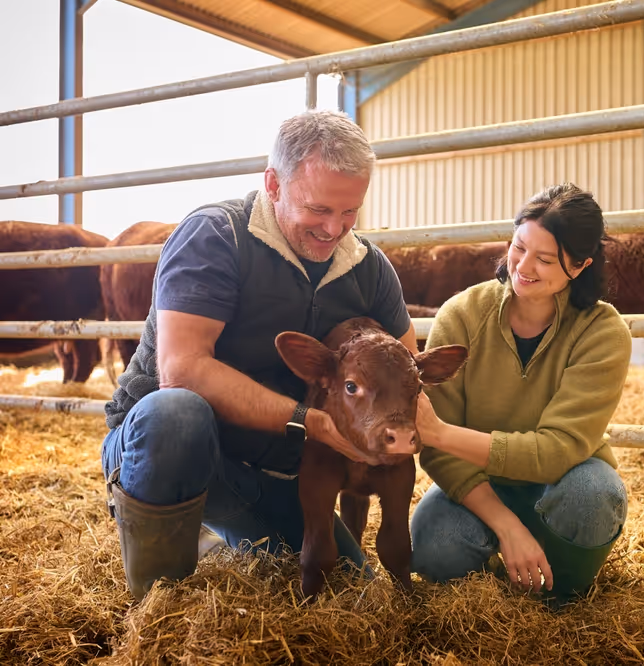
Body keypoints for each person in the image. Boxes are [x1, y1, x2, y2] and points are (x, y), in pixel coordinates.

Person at [102, 110, 419, 602]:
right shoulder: (216, 236)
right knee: (176, 413)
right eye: (318, 209)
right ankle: (156, 602)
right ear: (273, 183)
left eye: (350, 211)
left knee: (350, 590)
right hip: (175, 451)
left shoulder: (369, 267)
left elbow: (405, 371)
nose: (334, 229)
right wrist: (309, 422)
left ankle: (221, 533)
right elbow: (181, 370)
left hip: (277, 476)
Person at [412, 183, 632, 606]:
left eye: (545, 259)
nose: (523, 266)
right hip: (480, 481)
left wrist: (439, 434)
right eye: (518, 247)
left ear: (581, 265)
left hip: (564, 479)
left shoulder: (602, 332)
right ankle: (512, 547)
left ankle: (560, 595)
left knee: (594, 498)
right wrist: (508, 525)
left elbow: (556, 451)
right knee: (433, 547)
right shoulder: (461, 315)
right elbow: (438, 452)